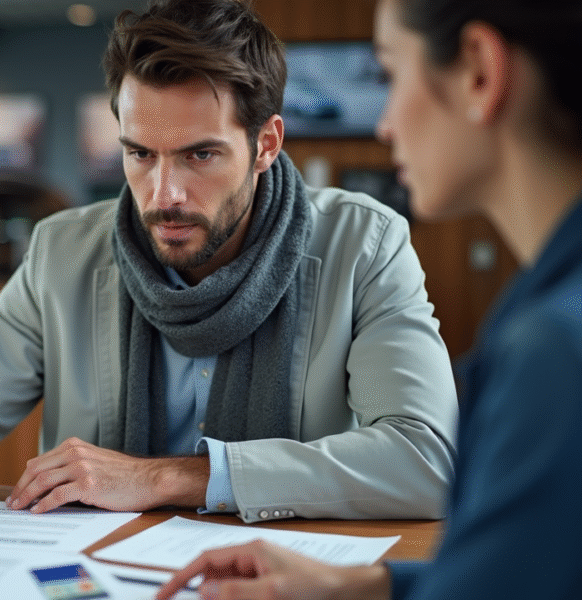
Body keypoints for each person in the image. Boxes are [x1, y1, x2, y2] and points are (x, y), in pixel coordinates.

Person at [0, 0, 459, 540]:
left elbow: (426, 460)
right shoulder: (63, 252)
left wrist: (171, 478)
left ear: (265, 145)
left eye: (199, 156)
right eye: (139, 154)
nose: (163, 194)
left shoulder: (365, 244)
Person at [156, 0, 582, 599]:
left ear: (480, 73)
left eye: (389, 75)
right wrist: (362, 585)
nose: (383, 126)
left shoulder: (555, 354)